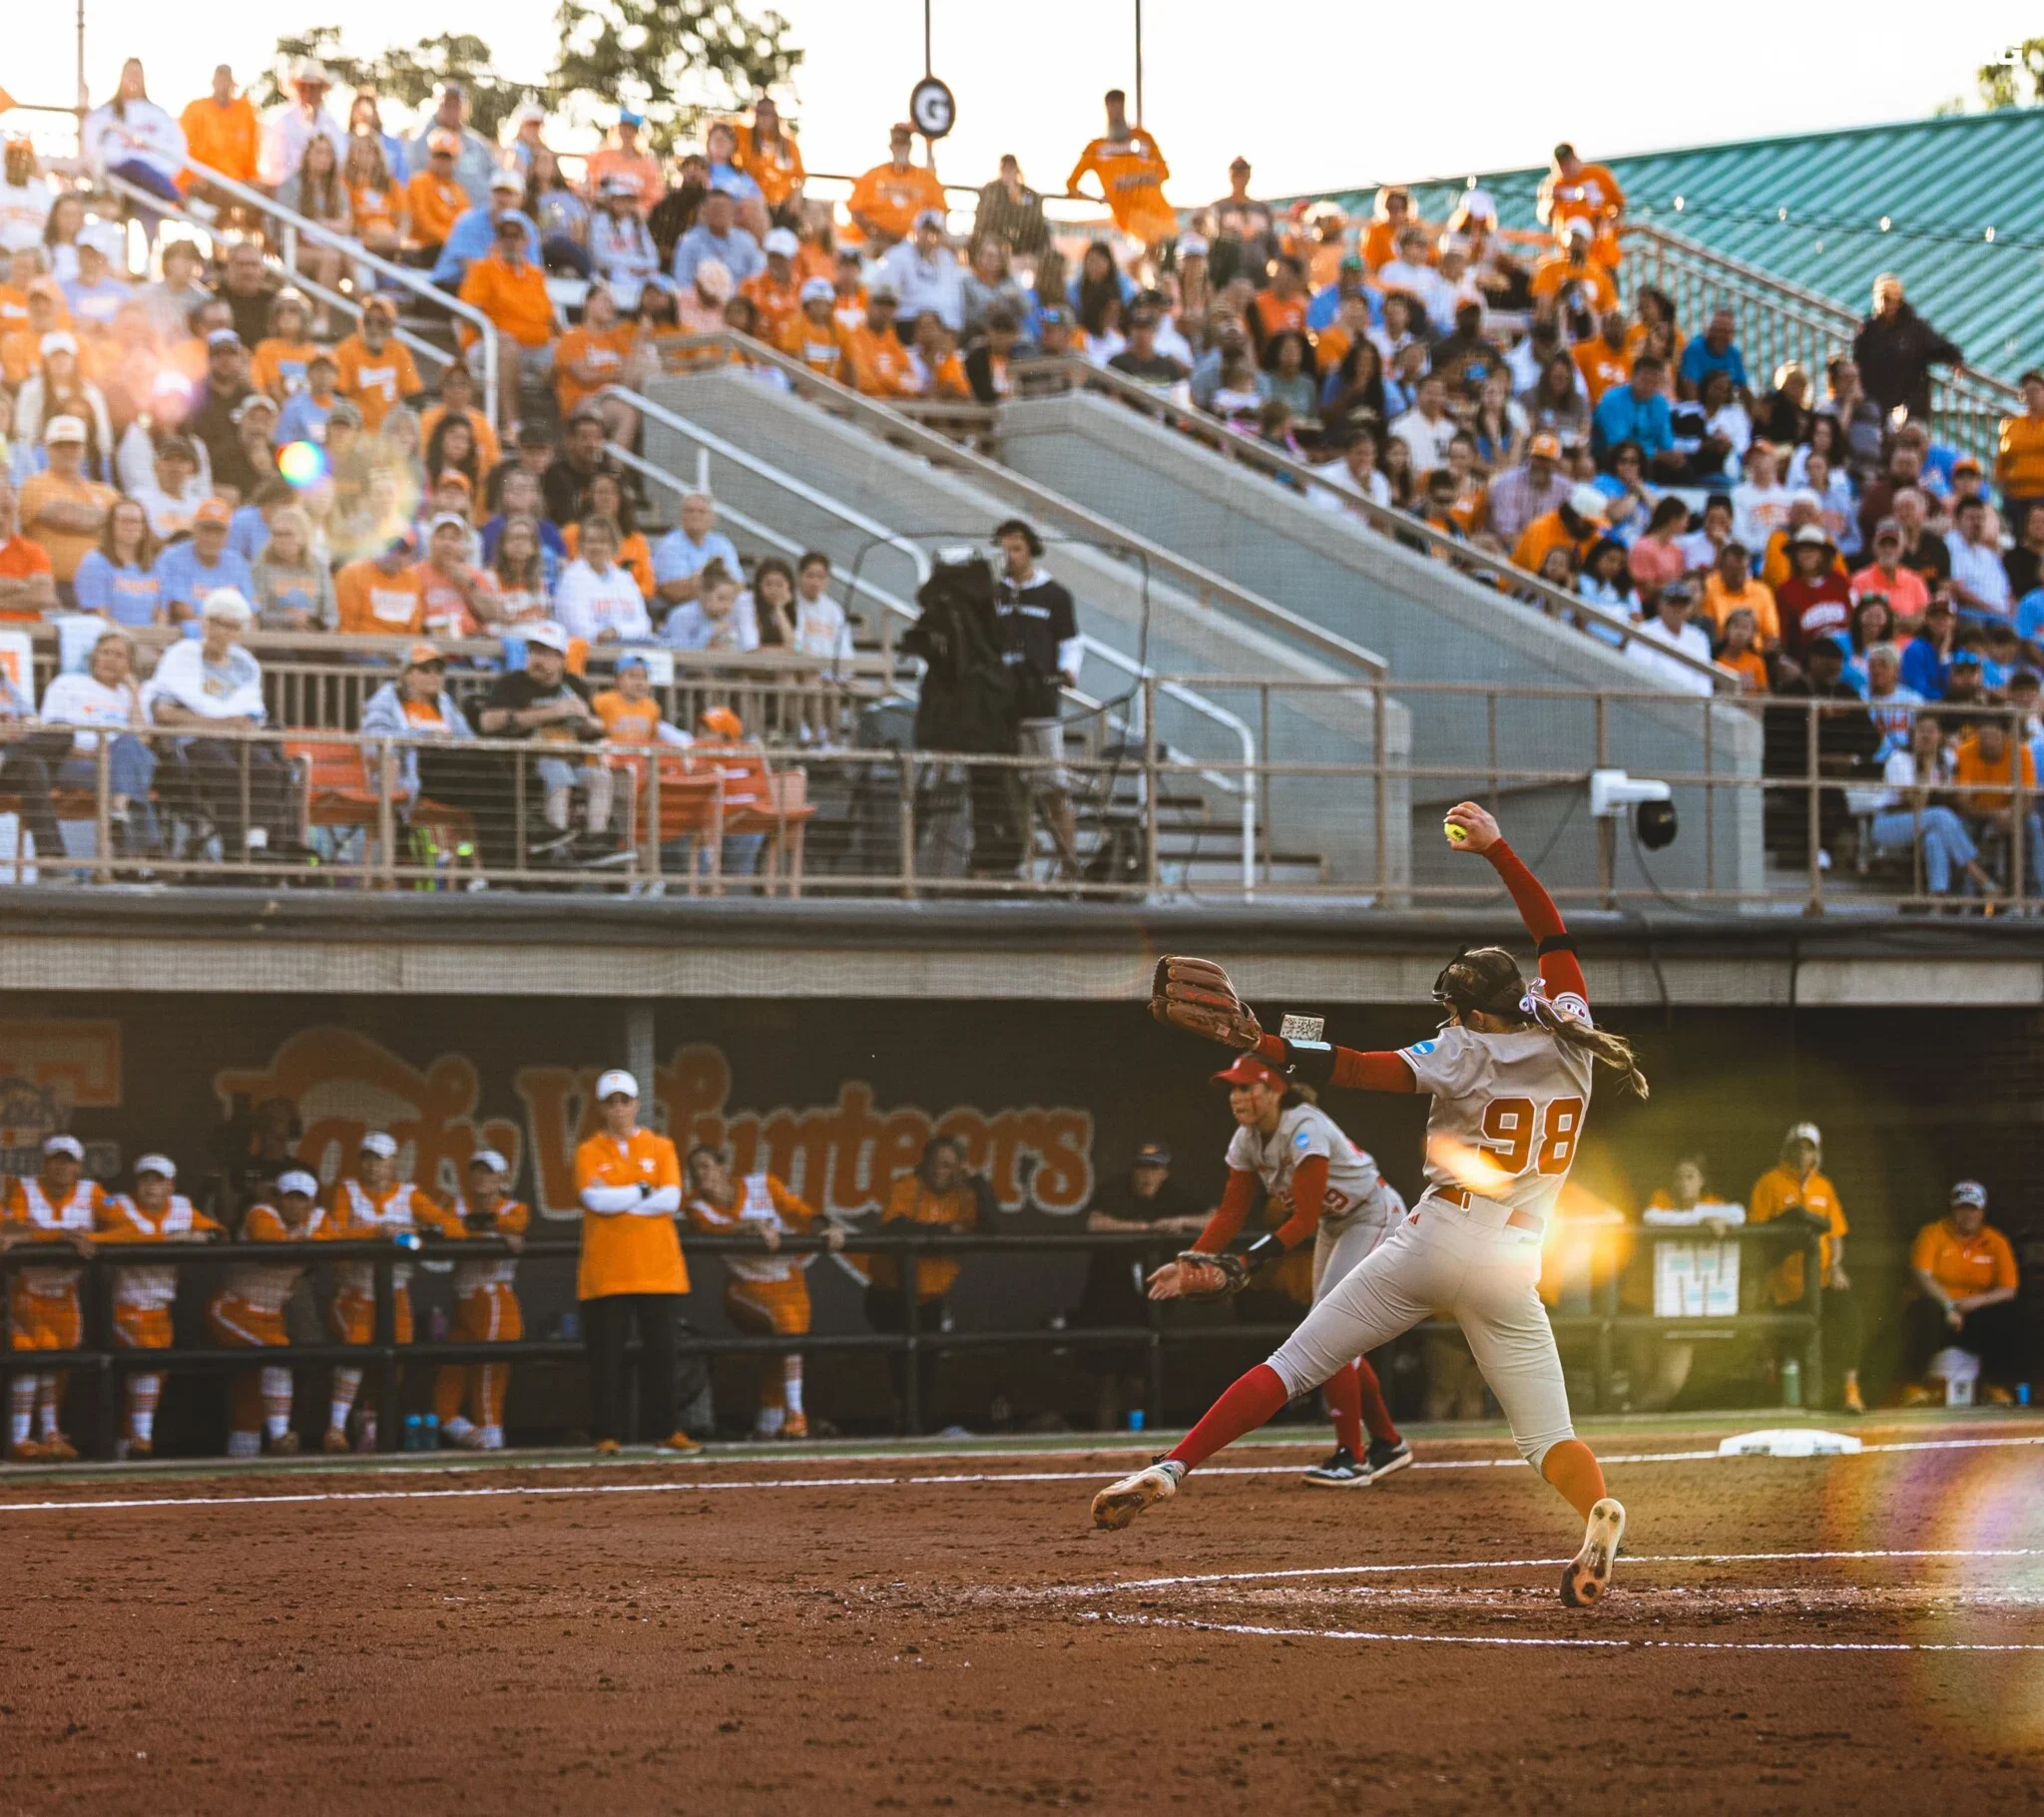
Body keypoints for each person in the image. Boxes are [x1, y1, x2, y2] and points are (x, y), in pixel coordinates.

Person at [1096, 804, 1639, 1616]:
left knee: (1293, 1364)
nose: (1448, 1018)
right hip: (1516, 1257)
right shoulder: (1569, 1027)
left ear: (1473, 1012)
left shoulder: (1465, 1048)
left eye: (1456, 1007)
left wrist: (1266, 1039)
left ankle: (1173, 1466)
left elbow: (1350, 1066)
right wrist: (1499, 851)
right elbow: (1552, 931)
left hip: (1438, 1233)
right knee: (1548, 1437)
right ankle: (1593, 1516)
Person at [1168, 1055, 1411, 1486]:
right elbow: (1230, 1213)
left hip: (1374, 1214)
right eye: (1233, 1088)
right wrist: (1191, 1259)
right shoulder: (1245, 1139)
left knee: (1330, 1330)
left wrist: (1245, 1262)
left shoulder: (1305, 1128)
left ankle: (1352, 1456)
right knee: (1337, 1336)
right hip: (1338, 1224)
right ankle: (1387, 1442)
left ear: (1275, 1089)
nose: (1237, 1096)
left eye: (1247, 1087)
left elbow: (1302, 1220)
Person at [575, 1069, 702, 1454]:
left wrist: (624, 1196)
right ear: (601, 1108)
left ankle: (667, 1431)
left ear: (637, 1105)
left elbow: (671, 1200)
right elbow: (595, 1200)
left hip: (658, 1270)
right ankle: (606, 1435)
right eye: (611, 1102)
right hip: (607, 1271)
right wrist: (644, 1191)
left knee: (662, 1356)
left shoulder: (660, 1146)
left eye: (625, 1101)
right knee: (606, 1359)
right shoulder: (588, 1151)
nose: (619, 1109)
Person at [685, 1144, 841, 1441]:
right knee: (786, 1325)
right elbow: (716, 1230)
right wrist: (751, 1226)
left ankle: (768, 1424)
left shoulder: (762, 1184)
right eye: (693, 1170)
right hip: (746, 1286)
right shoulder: (696, 1208)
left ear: (722, 1166)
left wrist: (826, 1227)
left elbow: (800, 1211)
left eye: (704, 1166)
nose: (699, 1175)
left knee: (785, 1345)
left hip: (787, 1278)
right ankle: (796, 1415)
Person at [1072, 1143, 1205, 1432]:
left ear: (1164, 1173)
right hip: (1108, 1297)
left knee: (1141, 1377)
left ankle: (1136, 1439)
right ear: (1133, 1170)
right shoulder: (1116, 1190)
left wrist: (1179, 1222)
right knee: (1107, 1377)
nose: (1148, 1176)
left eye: (1154, 1169)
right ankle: (1103, 1442)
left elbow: (1215, 1218)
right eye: (1143, 1168)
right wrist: (1144, 1230)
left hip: (1150, 1299)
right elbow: (1095, 1223)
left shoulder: (1174, 1197)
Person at [95, 1154, 222, 1458]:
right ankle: (142, 1438)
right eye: (145, 1179)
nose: (151, 1186)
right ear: (136, 1183)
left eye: (158, 1180)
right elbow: (123, 1234)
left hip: (160, 1309)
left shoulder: (181, 1207)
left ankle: (127, 1448)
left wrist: (196, 1234)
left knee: (149, 1378)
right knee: (148, 1367)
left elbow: (219, 1232)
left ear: (170, 1185)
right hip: (127, 1306)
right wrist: (171, 1238)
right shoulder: (119, 1204)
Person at [475, 620, 619, 865]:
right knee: (556, 769)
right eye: (533, 651)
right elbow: (487, 722)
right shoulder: (511, 684)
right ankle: (556, 842)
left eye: (545, 653)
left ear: (561, 659)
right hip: (527, 762)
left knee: (600, 777)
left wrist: (585, 718)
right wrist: (552, 712)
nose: (537, 660)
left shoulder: (574, 686)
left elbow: (597, 729)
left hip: (572, 758)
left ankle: (596, 842)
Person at [319, 1131, 429, 1452]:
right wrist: (380, 1232)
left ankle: (372, 1422)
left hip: (396, 1292)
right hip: (355, 1291)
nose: (371, 1166)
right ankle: (335, 1428)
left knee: (395, 1359)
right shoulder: (348, 1190)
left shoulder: (410, 1194)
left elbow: (439, 1229)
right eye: (366, 1158)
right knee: (355, 1352)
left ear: (393, 1163)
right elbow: (338, 1234)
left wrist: (409, 1232)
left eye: (379, 1160)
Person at [208, 1168, 324, 1457]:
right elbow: (272, 1247)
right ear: (277, 1199)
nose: (295, 1205)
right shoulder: (260, 1213)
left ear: (311, 1203)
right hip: (233, 1310)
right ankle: (281, 1435)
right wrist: (312, 1243)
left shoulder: (318, 1221)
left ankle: (245, 1472)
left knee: (249, 1394)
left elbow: (345, 1237)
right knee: (278, 1355)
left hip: (271, 1316)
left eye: (302, 1200)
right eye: (289, 1198)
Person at [2, 1135, 105, 1459]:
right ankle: (20, 1439)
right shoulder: (25, 1188)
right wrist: (59, 1234)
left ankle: (50, 1434)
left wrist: (94, 1236)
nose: (62, 1166)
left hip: (65, 1294)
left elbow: (127, 1225)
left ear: (79, 1165)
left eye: (69, 1160)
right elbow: (10, 1230)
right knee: (30, 1365)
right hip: (28, 1291)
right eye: (56, 1160)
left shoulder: (92, 1192)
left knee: (56, 1367)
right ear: (45, 1163)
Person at [1747, 1124, 1861, 1414]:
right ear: (1787, 1149)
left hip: (1821, 1280)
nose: (1803, 1152)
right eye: (1798, 1146)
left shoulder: (1825, 1185)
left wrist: (1835, 1266)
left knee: (1849, 1316)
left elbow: (1835, 1235)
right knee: (1787, 1352)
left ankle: (1850, 1390)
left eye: (1809, 1147)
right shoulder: (1769, 1182)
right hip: (1784, 1285)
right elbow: (1756, 1232)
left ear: (1816, 1153)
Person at [866, 1136, 980, 1431]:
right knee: (900, 1363)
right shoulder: (906, 1187)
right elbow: (894, 1226)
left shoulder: (966, 1195)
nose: (943, 1171)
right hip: (890, 1295)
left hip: (931, 1298)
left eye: (951, 1166)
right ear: (925, 1163)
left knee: (927, 1366)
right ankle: (898, 1425)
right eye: (938, 1163)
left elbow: (993, 1226)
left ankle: (918, 1429)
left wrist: (980, 1183)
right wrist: (941, 1233)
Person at [419, 1149, 528, 1450]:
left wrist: (472, 1228)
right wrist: (481, 1229)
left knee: (487, 1382)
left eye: (490, 1172)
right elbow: (448, 1228)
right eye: (477, 1171)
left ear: (503, 1179)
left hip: (495, 1300)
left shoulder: (514, 1207)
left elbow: (515, 1224)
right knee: (446, 1391)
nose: (482, 1178)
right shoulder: (458, 1205)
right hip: (464, 1303)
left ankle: (493, 1443)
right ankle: (474, 1438)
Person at [993, 519, 1081, 876]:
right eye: (1004, 549)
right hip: (1002, 703)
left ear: (1031, 550)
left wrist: (1068, 670)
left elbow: (1070, 640)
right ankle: (1022, 858)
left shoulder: (1053, 595)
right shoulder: (994, 594)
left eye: (1016, 549)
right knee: (1012, 789)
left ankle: (1068, 861)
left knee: (1051, 787)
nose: (1010, 557)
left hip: (1039, 702)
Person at [41, 626, 162, 857]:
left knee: (128, 744)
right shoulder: (68, 683)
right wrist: (92, 754)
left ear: (129, 664)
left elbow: (143, 740)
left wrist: (135, 693)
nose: (110, 659)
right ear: (94, 656)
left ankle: (119, 811)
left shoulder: (131, 696)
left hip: (114, 767)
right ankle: (147, 848)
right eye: (105, 652)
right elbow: (50, 735)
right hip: (75, 762)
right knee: (131, 769)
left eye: (119, 655)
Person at [1903, 1181, 2023, 1403]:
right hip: (1939, 1309)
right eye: (1962, 1208)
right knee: (1922, 1311)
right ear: (1952, 1209)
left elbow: (2009, 1289)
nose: (1967, 1215)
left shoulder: (1996, 1241)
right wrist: (1948, 1305)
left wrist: (1971, 1303)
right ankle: (1911, 1386)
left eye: (1973, 1209)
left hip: (1974, 1312)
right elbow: (1922, 1275)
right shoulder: (1932, 1233)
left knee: (2007, 1315)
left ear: (1982, 1212)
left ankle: (1995, 1385)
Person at [458, 214, 557, 431]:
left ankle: (564, 430)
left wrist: (566, 342)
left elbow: (550, 317)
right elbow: (468, 313)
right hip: (491, 344)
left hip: (536, 346)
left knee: (567, 354)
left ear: (526, 241)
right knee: (507, 346)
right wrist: (493, 334)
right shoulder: (483, 269)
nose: (510, 241)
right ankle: (512, 424)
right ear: (498, 241)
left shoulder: (536, 275)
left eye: (516, 235)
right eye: (505, 235)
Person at [83, 60, 188, 244]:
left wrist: (157, 172)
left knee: (147, 203)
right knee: (135, 165)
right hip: (115, 176)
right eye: (129, 73)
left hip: (149, 183)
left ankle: (150, 258)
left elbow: (177, 151)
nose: (133, 79)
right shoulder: (105, 113)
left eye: (137, 74)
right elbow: (92, 146)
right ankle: (181, 200)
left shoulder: (159, 115)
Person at [1066, 90, 1175, 251]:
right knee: (1148, 254)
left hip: (1161, 215)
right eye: (1112, 107)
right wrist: (1098, 199)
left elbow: (1164, 173)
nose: (1116, 113)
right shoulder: (1096, 148)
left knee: (1172, 252)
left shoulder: (1143, 138)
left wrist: (1138, 179)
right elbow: (1071, 184)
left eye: (1119, 106)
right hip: (1130, 221)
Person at [19, 415, 116, 593]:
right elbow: (62, 516)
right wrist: (107, 519)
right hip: (53, 585)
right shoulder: (33, 485)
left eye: (73, 445)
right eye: (59, 445)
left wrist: (104, 519)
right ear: (47, 449)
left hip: (102, 587)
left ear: (84, 449)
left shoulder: (106, 491)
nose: (66, 451)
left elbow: (122, 524)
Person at [1853, 274, 1964, 424]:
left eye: (1892, 300)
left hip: (1910, 399)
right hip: (1877, 400)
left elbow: (1937, 345)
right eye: (1884, 299)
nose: (1888, 305)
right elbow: (1858, 361)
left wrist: (1955, 359)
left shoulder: (1914, 328)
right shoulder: (1868, 330)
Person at [846, 124, 946, 249]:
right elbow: (855, 211)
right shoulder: (873, 175)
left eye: (904, 142)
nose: (900, 147)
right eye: (896, 142)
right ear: (891, 146)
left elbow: (940, 213)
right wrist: (876, 234)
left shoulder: (926, 179)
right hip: (879, 242)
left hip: (916, 245)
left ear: (910, 146)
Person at [556, 513, 651, 645]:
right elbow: (578, 629)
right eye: (591, 541)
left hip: (626, 645)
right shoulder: (571, 578)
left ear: (614, 545)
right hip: (592, 653)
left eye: (603, 541)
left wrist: (616, 631)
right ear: (581, 545)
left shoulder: (624, 578)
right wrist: (606, 635)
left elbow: (644, 624)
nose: (597, 547)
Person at [332, 296, 423, 433]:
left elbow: (415, 397)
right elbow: (338, 397)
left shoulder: (399, 351)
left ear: (391, 326)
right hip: (357, 435)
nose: (373, 328)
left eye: (381, 322)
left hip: (390, 437)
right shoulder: (345, 350)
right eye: (368, 321)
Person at [258, 58, 346, 192]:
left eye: (314, 87)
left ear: (321, 91)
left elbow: (340, 159)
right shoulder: (280, 121)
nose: (309, 92)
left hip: (322, 190)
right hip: (288, 190)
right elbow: (271, 166)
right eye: (303, 87)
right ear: (296, 89)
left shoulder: (331, 123)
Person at [970, 155, 1048, 260]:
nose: (1009, 173)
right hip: (996, 237)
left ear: (1017, 170)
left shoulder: (1030, 194)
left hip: (1023, 241)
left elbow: (1035, 222)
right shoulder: (991, 190)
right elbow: (984, 218)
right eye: (1005, 169)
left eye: (1011, 169)